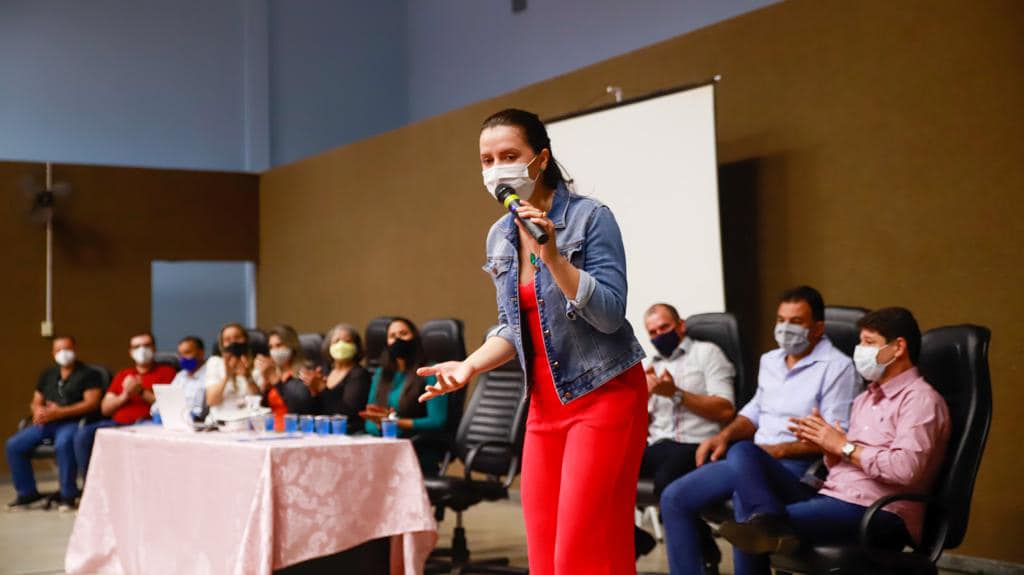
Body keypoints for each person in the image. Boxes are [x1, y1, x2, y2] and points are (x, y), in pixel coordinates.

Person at [417, 109, 648, 574]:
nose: (496, 169)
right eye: (486, 160)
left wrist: (553, 256)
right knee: (544, 558)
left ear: (540, 159)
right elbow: (511, 326)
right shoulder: (500, 236)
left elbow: (609, 316)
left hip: (604, 396)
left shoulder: (590, 218)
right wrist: (469, 366)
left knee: (581, 556)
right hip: (544, 406)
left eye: (509, 156)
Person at [716, 307, 950, 574]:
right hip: (833, 495)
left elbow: (905, 468)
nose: (860, 350)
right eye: (861, 342)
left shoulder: (921, 400)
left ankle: (768, 524)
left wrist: (843, 446)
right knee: (743, 450)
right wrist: (828, 447)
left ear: (898, 348)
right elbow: (847, 461)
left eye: (869, 342)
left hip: (879, 511)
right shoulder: (865, 399)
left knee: (748, 519)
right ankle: (768, 520)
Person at [660, 286, 859, 574]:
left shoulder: (838, 368)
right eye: (781, 320)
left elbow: (837, 439)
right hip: (752, 459)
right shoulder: (771, 360)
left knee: (746, 496)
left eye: (796, 322)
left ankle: (767, 524)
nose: (786, 329)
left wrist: (776, 451)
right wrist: (723, 435)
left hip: (798, 468)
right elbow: (754, 411)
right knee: (674, 498)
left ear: (818, 328)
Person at [636, 303, 736, 559]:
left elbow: (726, 410)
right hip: (660, 445)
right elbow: (642, 425)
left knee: (666, 480)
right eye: (653, 332)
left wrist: (676, 394)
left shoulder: (707, 353)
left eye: (664, 327)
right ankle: (637, 540)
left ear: (681, 325)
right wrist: (642, 398)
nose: (659, 335)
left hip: (697, 444)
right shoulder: (651, 367)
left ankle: (706, 552)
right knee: (606, 471)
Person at [6, 336, 102, 511]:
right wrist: (38, 411)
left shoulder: (89, 374)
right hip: (47, 423)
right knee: (14, 445)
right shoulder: (48, 374)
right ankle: (27, 494)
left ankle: (68, 495)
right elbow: (36, 400)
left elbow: (92, 403)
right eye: (59, 350)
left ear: (74, 349)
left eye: (67, 348)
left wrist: (60, 412)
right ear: (53, 353)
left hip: (73, 422)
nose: (63, 353)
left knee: (63, 444)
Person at [74, 332, 175, 480]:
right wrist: (125, 395)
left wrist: (141, 392)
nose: (142, 350)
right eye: (137, 346)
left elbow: (167, 406)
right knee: (83, 435)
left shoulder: (167, 372)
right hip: (116, 423)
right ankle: (90, 483)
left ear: (154, 348)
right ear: (130, 352)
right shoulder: (123, 374)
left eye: (146, 345)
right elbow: (105, 409)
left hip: (146, 424)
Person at [363, 318, 447, 473]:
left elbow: (437, 421)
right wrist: (381, 425)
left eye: (403, 334)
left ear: (414, 337)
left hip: (417, 448)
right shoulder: (381, 373)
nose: (398, 339)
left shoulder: (429, 372)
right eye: (392, 336)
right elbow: (369, 422)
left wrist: (395, 422)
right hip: (384, 446)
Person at [255, 325, 318, 428]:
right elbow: (264, 410)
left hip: (294, 430)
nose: (274, 351)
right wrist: (265, 389)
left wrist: (276, 382)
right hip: (271, 429)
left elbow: (298, 410)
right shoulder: (274, 372)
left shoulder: (305, 372)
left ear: (292, 346)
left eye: (279, 345)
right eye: (271, 347)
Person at [315, 323, 371, 432]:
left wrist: (323, 390)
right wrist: (313, 392)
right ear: (329, 346)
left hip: (348, 433)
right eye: (336, 341)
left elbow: (348, 413)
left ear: (356, 347)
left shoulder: (359, 374)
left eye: (347, 341)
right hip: (323, 431)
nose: (341, 345)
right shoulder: (324, 372)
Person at [204, 323, 260, 422]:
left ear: (246, 340)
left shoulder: (258, 363)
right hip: (219, 421)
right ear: (222, 345)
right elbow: (211, 401)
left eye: (237, 337)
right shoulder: (215, 362)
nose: (233, 342)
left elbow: (258, 400)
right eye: (227, 339)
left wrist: (247, 376)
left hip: (248, 421)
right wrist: (226, 376)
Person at [162, 335, 208, 420]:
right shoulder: (180, 375)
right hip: (177, 419)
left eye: (187, 352)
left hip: (201, 422)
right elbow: (167, 400)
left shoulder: (211, 374)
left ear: (201, 353)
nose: (182, 358)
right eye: (180, 354)